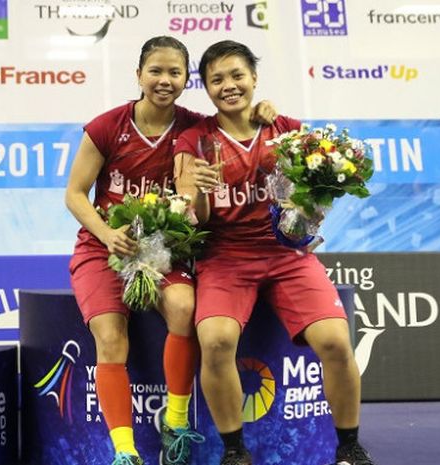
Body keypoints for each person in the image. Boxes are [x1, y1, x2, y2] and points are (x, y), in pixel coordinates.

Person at [65, 36, 277, 465]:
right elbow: (75, 194)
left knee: (183, 307)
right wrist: (108, 235)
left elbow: (238, 119)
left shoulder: (194, 128)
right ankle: (125, 453)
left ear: (186, 80)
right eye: (155, 71)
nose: (164, 80)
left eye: (174, 73)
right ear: (139, 75)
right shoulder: (107, 126)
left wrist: (261, 111)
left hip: (165, 248)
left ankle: (176, 426)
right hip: (105, 248)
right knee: (110, 337)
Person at [173, 40, 376, 465]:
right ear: (206, 89)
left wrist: (308, 212)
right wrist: (204, 193)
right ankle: (234, 451)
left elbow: (316, 199)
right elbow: (194, 216)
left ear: (253, 78)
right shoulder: (194, 139)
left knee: (337, 342)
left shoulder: (287, 128)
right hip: (225, 258)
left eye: (236, 75)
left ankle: (350, 446)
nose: (229, 86)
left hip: (289, 257)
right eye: (217, 80)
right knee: (215, 342)